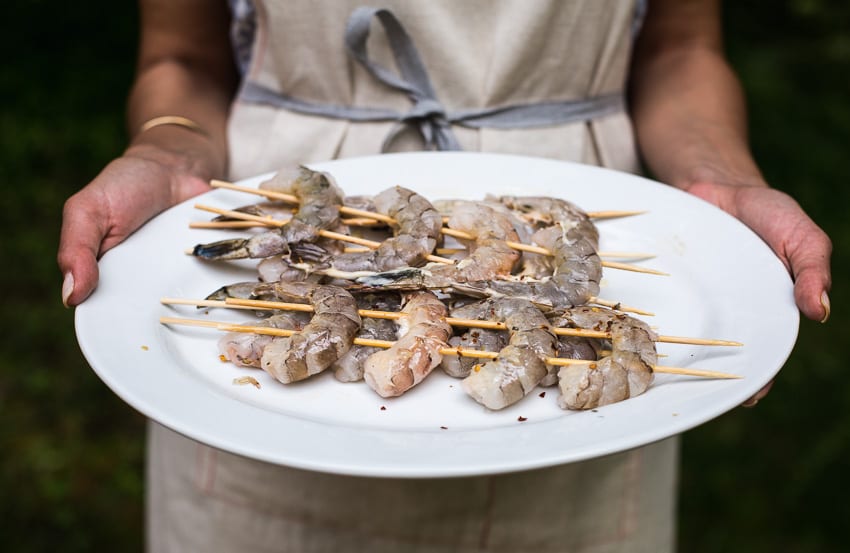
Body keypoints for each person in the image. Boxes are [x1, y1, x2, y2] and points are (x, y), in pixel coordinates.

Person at [58, 0, 832, 551]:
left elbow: (680, 48)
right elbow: (181, 57)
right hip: (281, 235)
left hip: (577, 215)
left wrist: (717, 181)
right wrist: (165, 148)